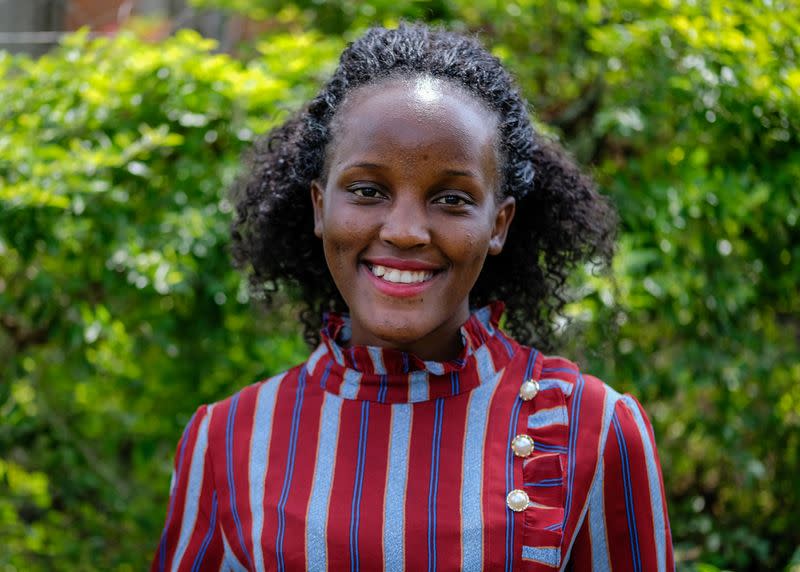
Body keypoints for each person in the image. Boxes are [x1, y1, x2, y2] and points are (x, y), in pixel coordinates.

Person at [152, 23, 673, 572]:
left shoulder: (598, 429)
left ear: (498, 225)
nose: (404, 231)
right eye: (367, 190)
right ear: (318, 206)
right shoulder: (228, 440)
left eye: (451, 198)